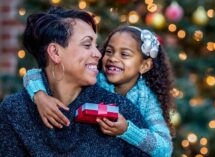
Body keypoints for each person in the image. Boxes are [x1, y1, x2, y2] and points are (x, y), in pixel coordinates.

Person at [0, 7, 149, 157]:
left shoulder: (121, 111)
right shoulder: (15, 111)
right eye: (87, 45)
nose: (98, 54)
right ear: (55, 52)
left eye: (96, 46)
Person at [23, 26, 174, 156]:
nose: (113, 58)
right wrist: (40, 96)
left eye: (124, 54)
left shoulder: (147, 100)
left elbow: (164, 149)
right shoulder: (94, 79)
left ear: (145, 66)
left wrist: (127, 130)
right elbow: (33, 74)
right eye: (109, 51)